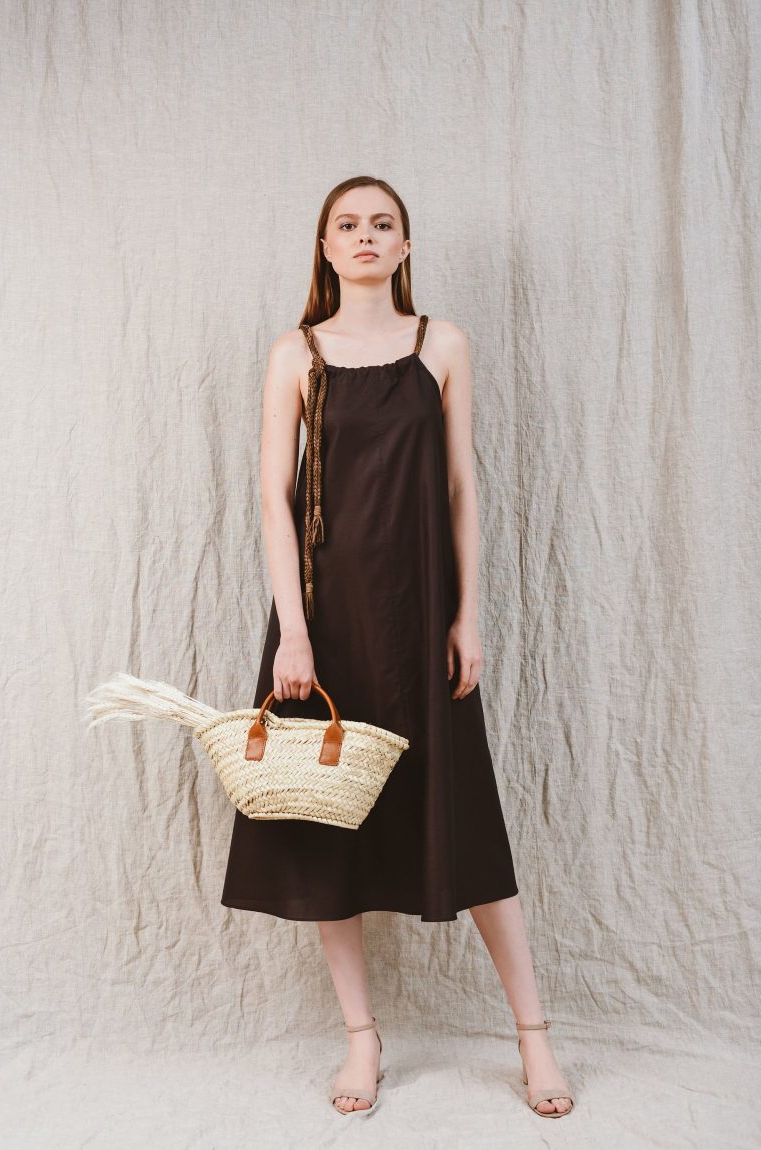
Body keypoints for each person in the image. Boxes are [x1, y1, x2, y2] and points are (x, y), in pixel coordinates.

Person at [220, 176, 574, 1119]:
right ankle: (361, 1043)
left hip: (424, 616)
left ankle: (534, 1040)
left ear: (406, 247)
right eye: (349, 225)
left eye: (383, 224)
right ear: (326, 249)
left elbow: (462, 486)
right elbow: (272, 498)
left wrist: (472, 615)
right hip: (322, 622)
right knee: (324, 820)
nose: (366, 237)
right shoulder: (295, 353)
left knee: (464, 814)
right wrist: (292, 632)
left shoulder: (442, 343)